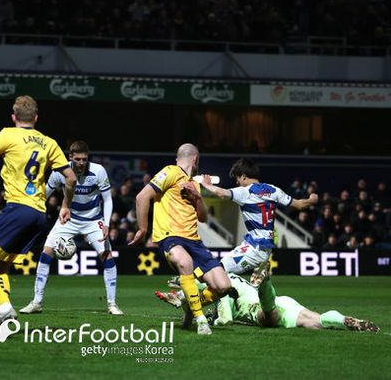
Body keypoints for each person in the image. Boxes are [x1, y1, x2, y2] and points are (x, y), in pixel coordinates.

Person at [0, 95, 76, 338]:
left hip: (18, 208)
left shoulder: (7, 134)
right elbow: (70, 178)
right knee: (0, 266)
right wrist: (65, 205)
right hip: (39, 214)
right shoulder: (49, 142)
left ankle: (5, 309)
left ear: (13, 116)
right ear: (36, 118)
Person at [129, 143, 230, 335]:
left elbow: (203, 218)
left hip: (195, 242)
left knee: (223, 286)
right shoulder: (171, 171)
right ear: (195, 159)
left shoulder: (194, 184)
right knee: (185, 262)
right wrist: (142, 229)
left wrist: (197, 197)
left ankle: (190, 302)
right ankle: (201, 320)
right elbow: (142, 197)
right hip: (170, 237)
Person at [20, 140, 123, 316]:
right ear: (70, 157)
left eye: (84, 159)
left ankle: (112, 304)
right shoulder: (59, 172)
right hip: (68, 218)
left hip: (93, 220)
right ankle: (37, 302)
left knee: (107, 256)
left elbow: (107, 199)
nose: (81, 163)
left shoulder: (98, 171)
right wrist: (28, 211)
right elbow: (43, 196)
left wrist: (106, 223)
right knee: (46, 252)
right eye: (78, 159)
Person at [197, 158, 319, 277]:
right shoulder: (274, 190)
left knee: (218, 271)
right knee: (260, 289)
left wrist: (207, 184)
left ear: (243, 176)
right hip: (262, 247)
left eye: (237, 178)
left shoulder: (245, 192)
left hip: (255, 248)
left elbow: (222, 193)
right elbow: (299, 204)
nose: (237, 182)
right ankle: (262, 277)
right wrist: (311, 200)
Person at [156, 268, 379, 333]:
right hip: (285, 301)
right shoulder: (227, 278)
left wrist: (208, 320)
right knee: (317, 321)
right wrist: (180, 301)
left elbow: (225, 319)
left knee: (268, 315)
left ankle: (265, 282)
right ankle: (345, 320)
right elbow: (196, 296)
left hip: (257, 308)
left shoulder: (221, 290)